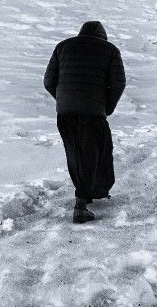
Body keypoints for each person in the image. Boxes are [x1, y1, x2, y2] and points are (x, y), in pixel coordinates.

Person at [43, 20, 126, 223]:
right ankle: (81, 204)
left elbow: (48, 81)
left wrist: (64, 101)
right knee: (97, 152)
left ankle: (86, 194)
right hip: (93, 112)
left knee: (76, 153)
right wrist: (107, 107)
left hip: (66, 113)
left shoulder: (63, 47)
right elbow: (118, 83)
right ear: (102, 37)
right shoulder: (110, 50)